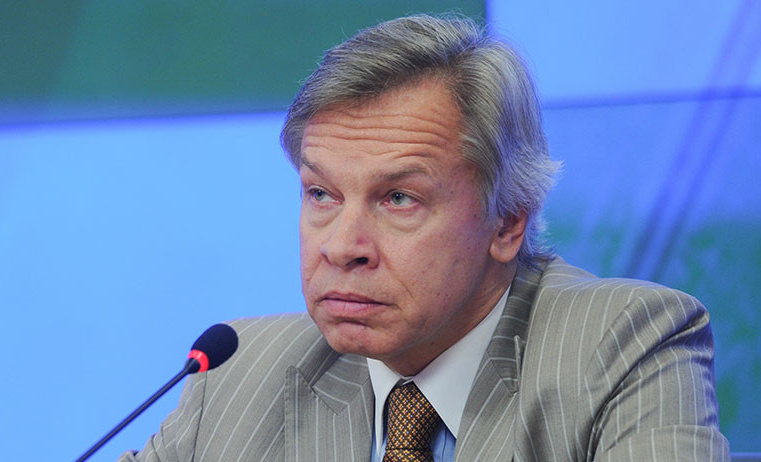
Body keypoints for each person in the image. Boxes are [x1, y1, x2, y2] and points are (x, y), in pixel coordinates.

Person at [121, 14, 729, 461]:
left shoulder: (623, 347)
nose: (342, 246)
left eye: (398, 199)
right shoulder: (235, 374)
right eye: (321, 194)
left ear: (508, 220)